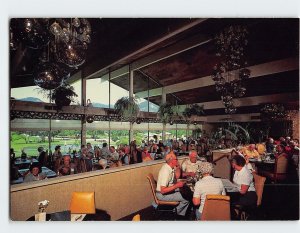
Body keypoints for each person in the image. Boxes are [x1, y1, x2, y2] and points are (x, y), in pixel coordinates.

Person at [156, 153, 190, 218]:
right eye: (176, 159)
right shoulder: (165, 171)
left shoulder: (169, 167)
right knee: (187, 197)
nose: (177, 160)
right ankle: (176, 213)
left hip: (166, 191)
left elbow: (177, 176)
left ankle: (178, 212)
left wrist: (178, 167)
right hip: (162, 195)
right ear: (172, 161)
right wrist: (176, 186)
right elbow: (163, 191)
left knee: (185, 190)